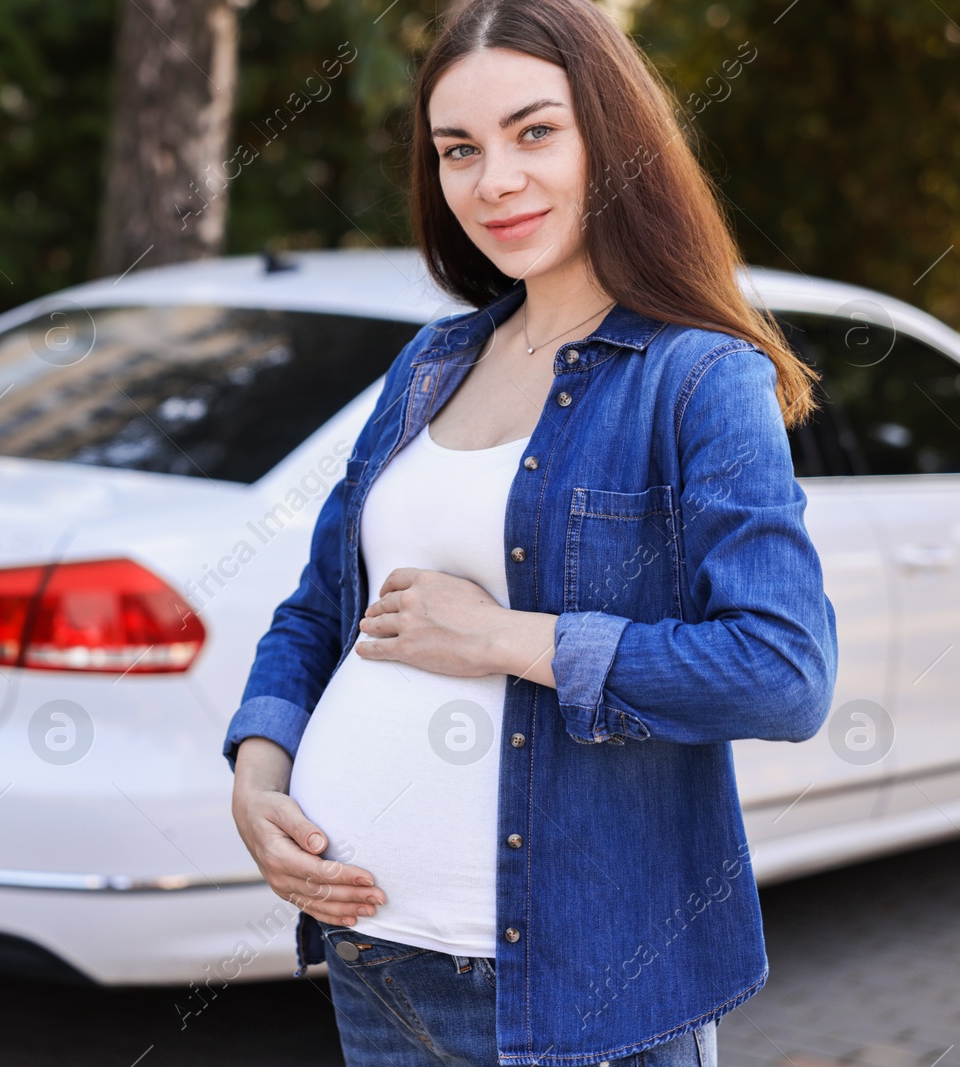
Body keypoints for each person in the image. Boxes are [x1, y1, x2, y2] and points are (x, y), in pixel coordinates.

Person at [221, 1, 840, 1064]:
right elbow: (321, 604)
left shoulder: (698, 378)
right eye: (458, 149)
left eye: (533, 131)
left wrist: (511, 638)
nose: (492, 179)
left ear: (614, 134)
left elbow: (783, 670)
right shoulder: (431, 363)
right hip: (372, 953)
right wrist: (257, 770)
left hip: (574, 988)